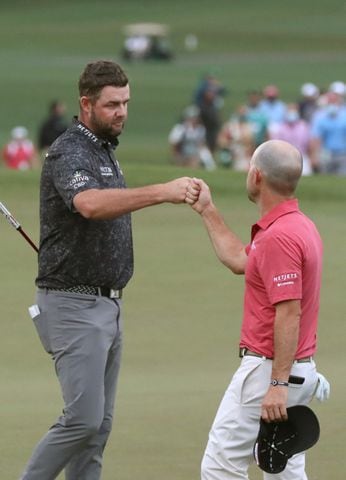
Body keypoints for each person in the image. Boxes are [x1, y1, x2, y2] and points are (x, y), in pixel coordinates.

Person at [20, 60, 199, 480]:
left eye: (126, 103)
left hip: (108, 307)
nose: (122, 112)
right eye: (112, 104)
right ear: (86, 104)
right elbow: (90, 204)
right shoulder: (69, 150)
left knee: (97, 429)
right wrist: (163, 191)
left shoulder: (103, 150)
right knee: (82, 420)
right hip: (72, 304)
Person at [185, 140, 325, 480]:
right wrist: (207, 209)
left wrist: (276, 384)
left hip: (269, 370)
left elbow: (289, 312)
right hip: (299, 371)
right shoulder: (296, 226)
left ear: (257, 176)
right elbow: (240, 260)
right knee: (283, 469)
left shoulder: (279, 237)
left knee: (220, 465)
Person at [269, 103, 313, 175]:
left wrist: (311, 157)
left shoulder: (304, 126)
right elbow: (275, 145)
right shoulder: (280, 127)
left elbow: (309, 143)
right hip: (284, 159)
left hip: (302, 157)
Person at [168, 105, 216, 170]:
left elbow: (201, 143)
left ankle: (211, 168)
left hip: (194, 152)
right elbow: (174, 143)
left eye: (196, 117)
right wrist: (177, 156)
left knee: (204, 152)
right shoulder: (180, 128)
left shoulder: (200, 129)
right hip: (183, 152)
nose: (194, 119)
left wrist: (197, 155)